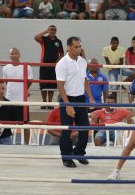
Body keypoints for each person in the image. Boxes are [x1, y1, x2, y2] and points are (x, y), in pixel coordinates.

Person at [55, 36, 94, 168]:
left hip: (81, 98)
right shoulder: (62, 64)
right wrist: (68, 105)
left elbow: (85, 80)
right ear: (68, 47)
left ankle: (79, 153)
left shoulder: (83, 61)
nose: (78, 49)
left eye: (79, 46)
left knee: (85, 128)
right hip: (68, 98)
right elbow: (60, 86)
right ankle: (66, 157)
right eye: (76, 47)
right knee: (67, 129)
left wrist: (91, 97)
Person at [2, 47, 33, 144]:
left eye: (16, 53)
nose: (14, 55)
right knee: (7, 124)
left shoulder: (26, 67)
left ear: (19, 55)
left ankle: (27, 145)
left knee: (25, 124)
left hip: (22, 100)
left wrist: (24, 90)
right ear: (9, 55)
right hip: (9, 99)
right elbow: (6, 82)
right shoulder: (5, 68)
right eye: (12, 53)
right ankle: (8, 143)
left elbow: (30, 81)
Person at [35, 25, 64, 109]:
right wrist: (45, 31)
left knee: (51, 84)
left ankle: (50, 103)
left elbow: (62, 54)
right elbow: (36, 37)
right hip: (44, 65)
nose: (52, 31)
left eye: (54, 30)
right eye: (51, 30)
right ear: (48, 30)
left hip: (54, 67)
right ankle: (44, 102)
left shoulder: (58, 42)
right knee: (43, 84)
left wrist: (57, 62)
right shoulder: (44, 39)